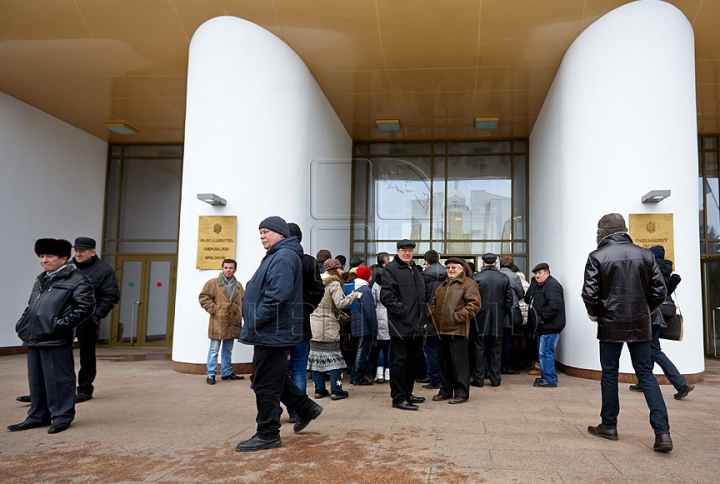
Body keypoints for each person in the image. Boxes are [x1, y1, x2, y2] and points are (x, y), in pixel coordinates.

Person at [582, 213, 672, 452]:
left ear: (603, 232)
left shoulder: (597, 257)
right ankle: (662, 433)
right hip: (640, 324)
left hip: (610, 324)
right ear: (623, 230)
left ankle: (609, 425)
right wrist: (644, 311)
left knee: (610, 374)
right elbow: (659, 291)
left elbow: (590, 294)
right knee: (646, 375)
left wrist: (596, 315)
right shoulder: (646, 254)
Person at [236, 216, 323, 452]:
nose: (262, 235)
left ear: (281, 234)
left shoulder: (283, 256)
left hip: (272, 331)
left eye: (266, 231)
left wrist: (255, 320)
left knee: (265, 383)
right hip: (271, 330)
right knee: (270, 377)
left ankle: (267, 433)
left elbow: (277, 296)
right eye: (260, 232)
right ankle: (305, 408)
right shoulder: (279, 254)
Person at [17, 236, 120, 404]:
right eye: (76, 250)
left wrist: (95, 316)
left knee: (86, 354)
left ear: (92, 252)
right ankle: (41, 392)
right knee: (52, 357)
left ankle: (85, 389)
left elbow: (111, 296)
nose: (78, 254)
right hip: (59, 319)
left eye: (82, 251)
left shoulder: (103, 270)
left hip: (85, 319)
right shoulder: (67, 266)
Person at [9, 239, 95, 434]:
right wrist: (23, 323)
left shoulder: (77, 279)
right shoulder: (41, 279)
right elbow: (32, 307)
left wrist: (59, 326)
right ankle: (38, 416)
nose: (44, 260)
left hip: (55, 338)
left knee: (59, 379)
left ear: (64, 258)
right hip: (35, 336)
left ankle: (62, 416)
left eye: (49, 256)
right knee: (37, 380)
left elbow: (85, 307)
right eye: (41, 256)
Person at [629, 245, 694, 400]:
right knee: (653, 346)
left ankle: (680, 382)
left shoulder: (650, 268)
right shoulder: (666, 269)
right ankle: (644, 381)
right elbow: (665, 291)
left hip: (653, 311)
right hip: (667, 310)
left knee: (653, 350)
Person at [284, 223, 325, 422]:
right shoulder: (309, 262)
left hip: (281, 325)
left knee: (279, 371)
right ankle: (297, 411)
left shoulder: (278, 258)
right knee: (299, 368)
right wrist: (307, 308)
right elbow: (318, 290)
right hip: (301, 324)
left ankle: (275, 413)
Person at [380, 239, 427, 411]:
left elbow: (421, 297)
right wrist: (405, 312)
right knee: (399, 362)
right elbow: (387, 297)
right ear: (397, 251)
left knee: (411, 362)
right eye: (403, 250)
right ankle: (399, 398)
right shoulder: (391, 269)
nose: (407, 253)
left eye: (410, 250)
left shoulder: (414, 269)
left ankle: (407, 393)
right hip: (400, 325)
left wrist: (423, 319)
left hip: (416, 325)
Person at [428, 258, 481, 404]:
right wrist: (432, 317)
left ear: (461, 269)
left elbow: (474, 305)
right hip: (441, 330)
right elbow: (433, 303)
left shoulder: (469, 284)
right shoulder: (442, 286)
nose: (450, 270)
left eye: (453, 267)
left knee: (459, 364)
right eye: (448, 268)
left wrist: (457, 317)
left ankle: (461, 393)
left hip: (457, 330)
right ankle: (445, 390)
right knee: (444, 364)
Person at [308, 258, 360, 399]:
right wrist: (353, 296)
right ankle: (337, 389)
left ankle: (319, 390)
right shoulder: (334, 283)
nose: (342, 271)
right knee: (335, 360)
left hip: (314, 326)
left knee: (316, 358)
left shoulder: (314, 282)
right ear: (334, 270)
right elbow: (340, 303)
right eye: (340, 269)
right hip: (329, 326)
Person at [470, 253, 513, 387]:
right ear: (496, 263)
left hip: (479, 318)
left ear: (482, 263)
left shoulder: (476, 278)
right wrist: (502, 313)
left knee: (479, 350)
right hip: (498, 318)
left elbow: (471, 299)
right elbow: (509, 300)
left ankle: (479, 379)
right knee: (496, 350)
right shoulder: (504, 278)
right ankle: (495, 379)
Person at [198, 259, 244, 385]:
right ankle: (211, 374)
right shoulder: (213, 283)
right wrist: (215, 310)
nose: (228, 270)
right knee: (214, 349)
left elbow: (243, 302)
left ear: (235, 269)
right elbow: (204, 297)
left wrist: (242, 316)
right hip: (218, 321)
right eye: (226, 267)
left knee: (227, 349)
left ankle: (226, 372)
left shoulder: (239, 285)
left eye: (231, 268)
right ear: (222, 268)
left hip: (232, 322)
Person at [524, 262, 566, 388]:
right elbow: (527, 299)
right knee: (543, 352)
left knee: (546, 352)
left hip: (550, 326)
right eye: (535, 274)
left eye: (540, 273)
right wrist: (533, 283)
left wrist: (542, 319)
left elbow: (554, 306)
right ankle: (546, 376)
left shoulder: (552, 285)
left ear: (547, 273)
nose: (537, 276)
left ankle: (550, 379)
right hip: (544, 326)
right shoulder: (540, 285)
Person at [420, 250, 446, 390]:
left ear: (426, 261)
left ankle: (435, 379)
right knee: (444, 350)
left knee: (430, 350)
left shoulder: (424, 276)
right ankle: (444, 379)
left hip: (430, 318)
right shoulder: (448, 274)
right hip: (447, 318)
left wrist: (423, 320)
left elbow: (422, 300)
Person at [350, 265, 378, 385]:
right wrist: (374, 328)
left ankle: (354, 376)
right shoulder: (365, 290)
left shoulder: (352, 287)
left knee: (357, 351)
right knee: (362, 353)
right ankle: (358, 377)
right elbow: (370, 311)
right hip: (364, 326)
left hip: (355, 325)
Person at [498, 256, 524, 375]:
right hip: (510, 312)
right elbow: (521, 294)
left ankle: (496, 366)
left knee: (496, 341)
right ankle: (506, 365)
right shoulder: (514, 277)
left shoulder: (496, 275)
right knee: (508, 340)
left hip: (495, 312)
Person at [371, 270, 391, 383]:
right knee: (389, 347)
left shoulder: (375, 285)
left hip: (379, 317)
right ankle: (388, 373)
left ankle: (379, 373)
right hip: (390, 318)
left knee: (380, 347)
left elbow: (372, 302)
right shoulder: (393, 285)